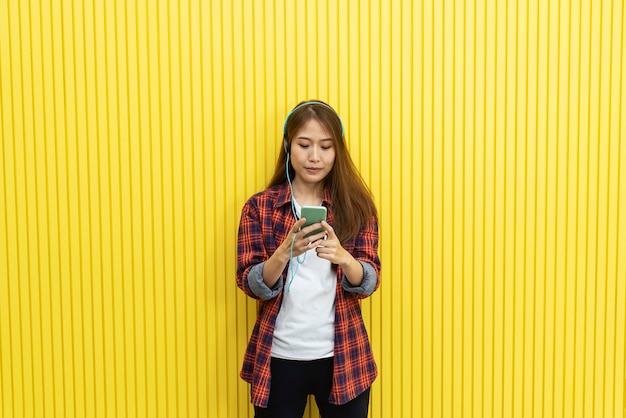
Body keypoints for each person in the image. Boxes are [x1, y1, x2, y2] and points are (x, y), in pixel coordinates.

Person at [236, 100, 381, 418]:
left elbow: (369, 281)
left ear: (337, 151)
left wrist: (344, 258)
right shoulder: (259, 208)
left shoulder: (357, 208)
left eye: (325, 147)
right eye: (304, 145)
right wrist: (282, 253)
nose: (314, 156)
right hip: (279, 357)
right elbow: (249, 283)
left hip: (343, 356)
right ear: (288, 146)